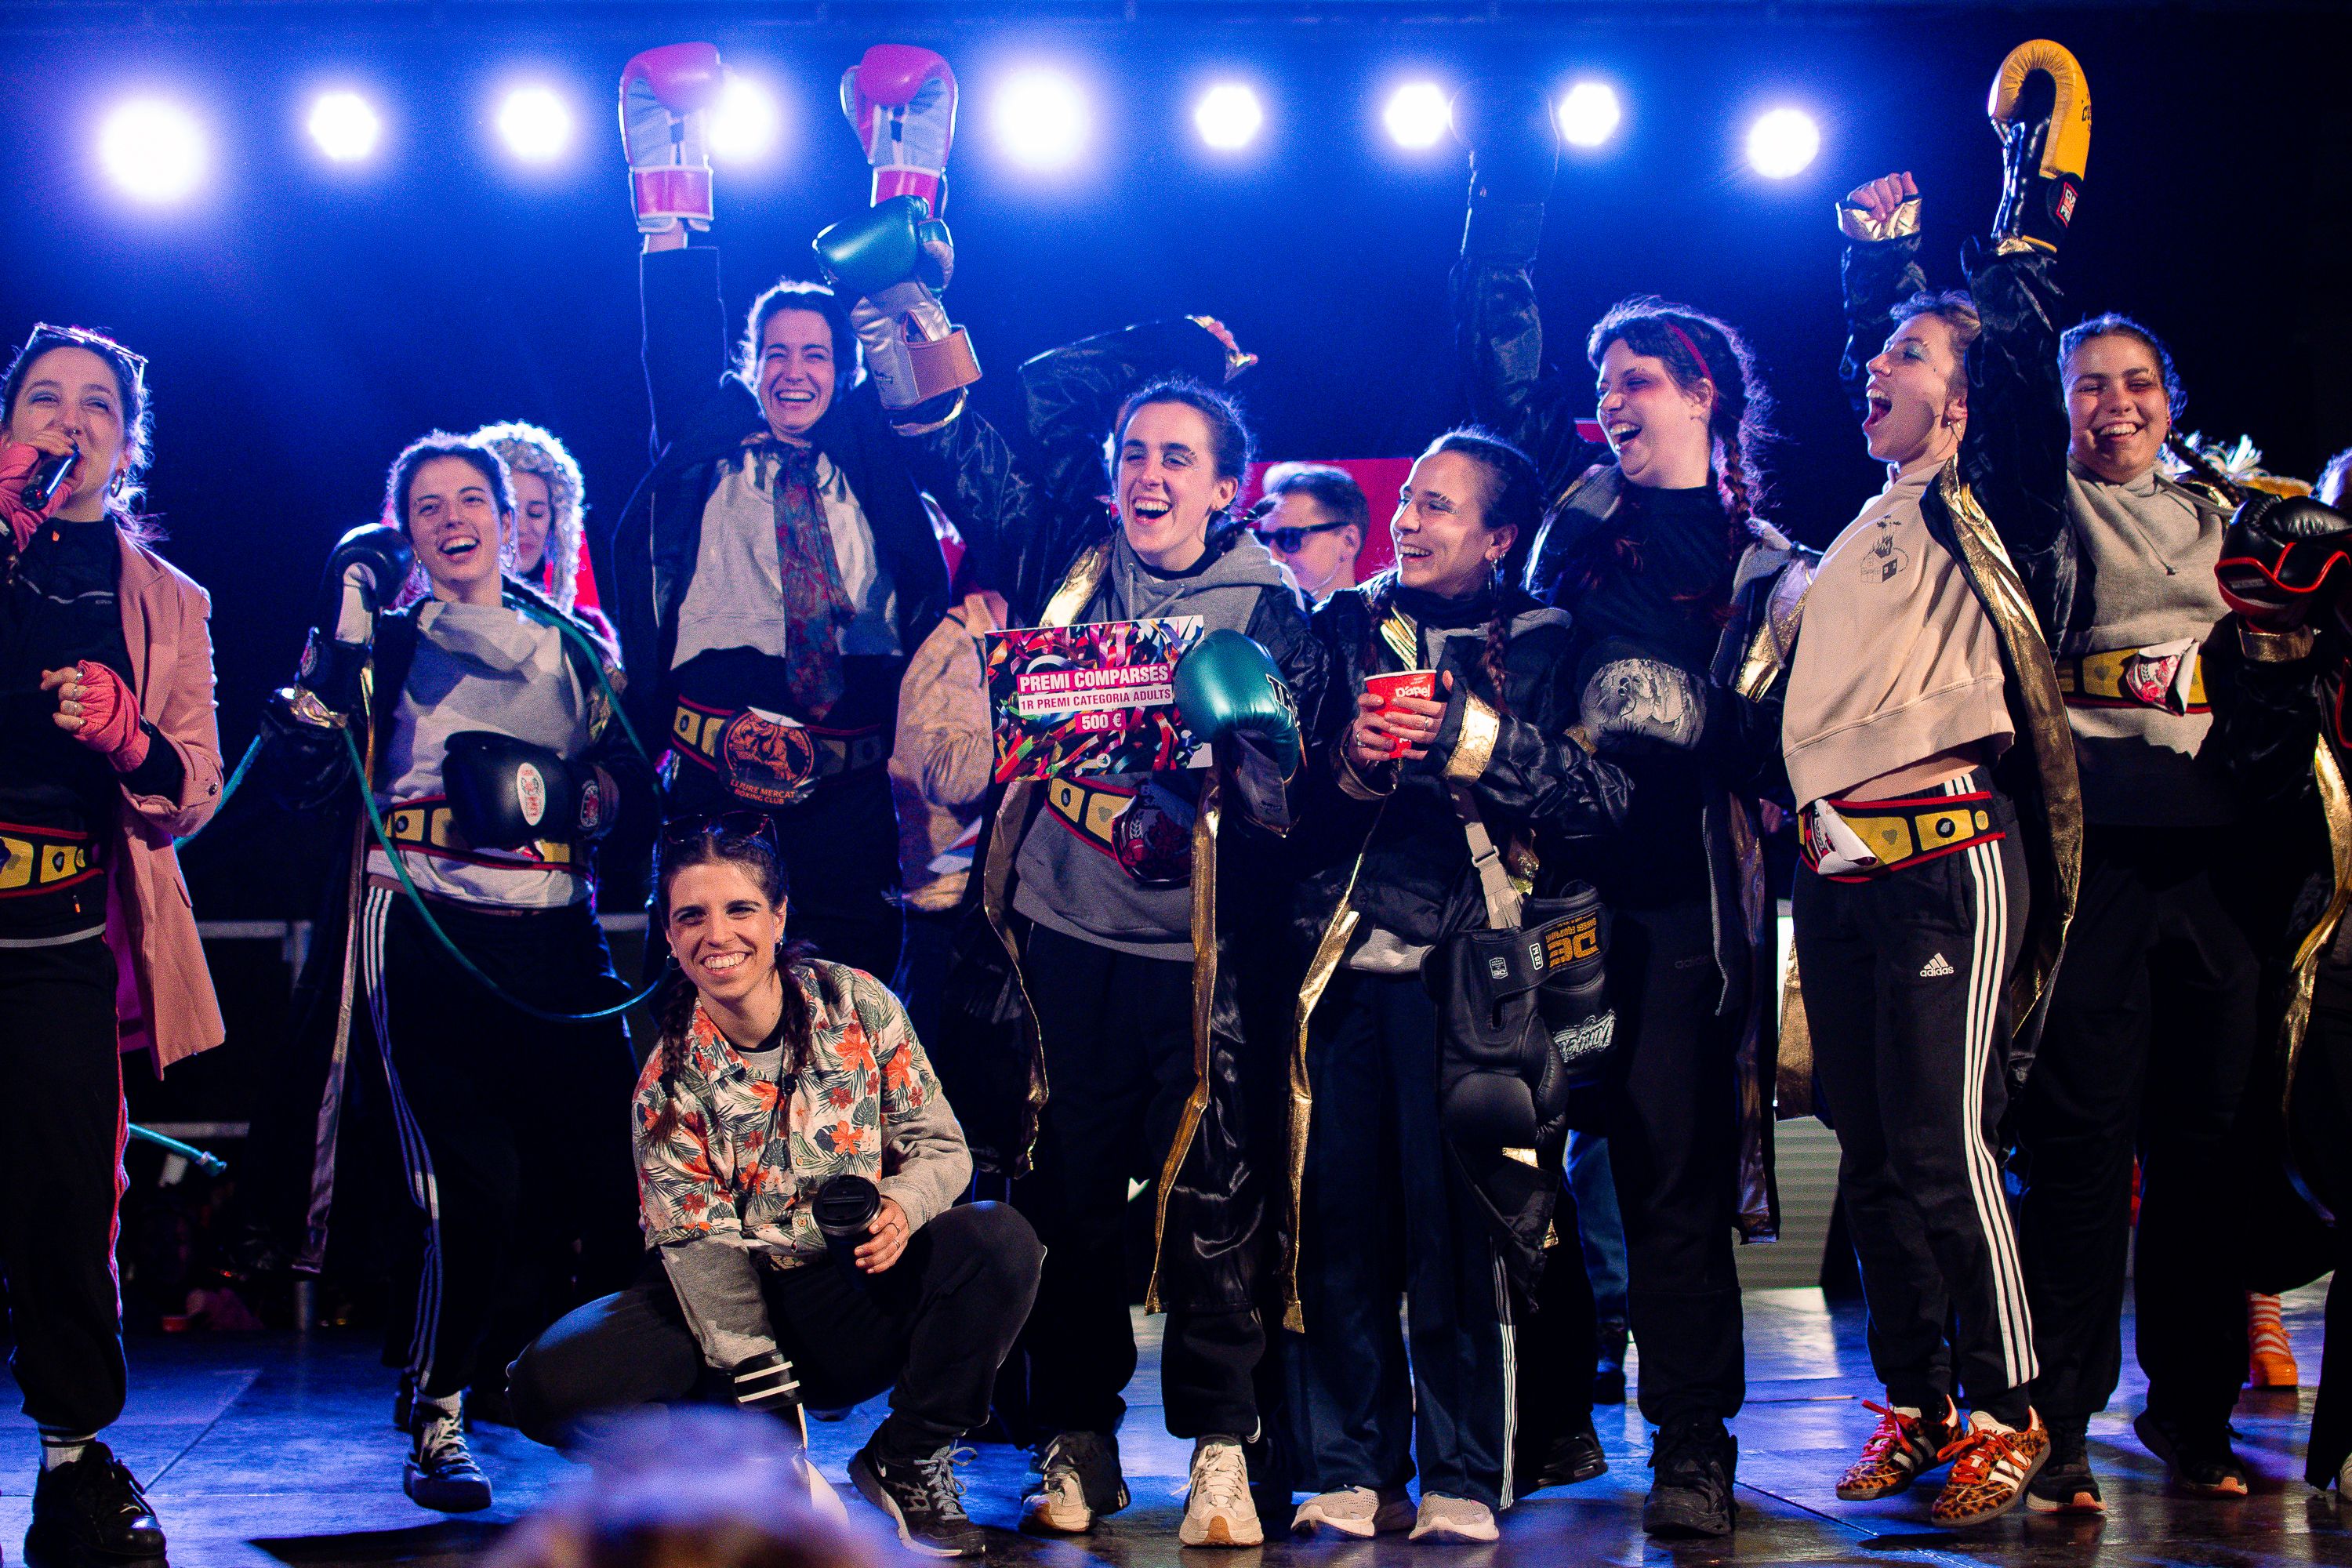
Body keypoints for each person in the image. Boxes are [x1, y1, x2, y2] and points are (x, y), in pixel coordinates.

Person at [1450, 81, 1801, 1538]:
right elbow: (1499, 347)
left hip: (1680, 906)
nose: (1614, 401)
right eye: (1605, 385)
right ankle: (1557, 1421)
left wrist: (1703, 717)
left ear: (1703, 391)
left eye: (1640, 379)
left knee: (1664, 1182)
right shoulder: (1565, 532)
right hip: (1546, 888)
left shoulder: (1771, 560)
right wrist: (1506, 206)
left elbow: (1788, 753)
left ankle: (1694, 1447)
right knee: (1509, 1154)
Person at [922, 322, 1322, 1548]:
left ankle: (1219, 1453)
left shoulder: (1272, 602)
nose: (1150, 476)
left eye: (1178, 457)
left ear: (1225, 486)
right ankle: (1078, 1445)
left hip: (1199, 962)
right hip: (1057, 943)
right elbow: (988, 440)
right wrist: (1150, 346)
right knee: (1067, 1209)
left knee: (1216, 1207)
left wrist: (1254, 744)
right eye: (1134, 453)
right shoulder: (1067, 557)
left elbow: (1292, 816)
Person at [1788, 113, 2087, 1525]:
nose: (1877, 374)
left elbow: (2011, 362)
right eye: (1879, 356)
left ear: (1966, 404)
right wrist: (1879, 278)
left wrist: (2007, 213)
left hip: (1943, 863)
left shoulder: (1991, 501)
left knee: (1946, 1146)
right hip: (1840, 882)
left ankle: (2019, 1408)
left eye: (1910, 361)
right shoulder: (1871, 520)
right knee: (1872, 1155)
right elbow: (1893, 363)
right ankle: (1918, 1403)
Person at [261, 433, 646, 1514]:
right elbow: (303, 774)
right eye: (426, 505)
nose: (454, 517)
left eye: (470, 497)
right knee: (468, 1185)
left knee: (614, 1171)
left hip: (554, 925)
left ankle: (623, 1400)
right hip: (424, 920)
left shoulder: (574, 642)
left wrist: (583, 800)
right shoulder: (381, 638)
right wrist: (340, 632)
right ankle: (438, 1415)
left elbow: (635, 784)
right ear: (407, 530)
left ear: (511, 517)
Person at [505, 818, 1042, 1560]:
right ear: (667, 933)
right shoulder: (666, 1085)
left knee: (1000, 1239)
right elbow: (702, 1254)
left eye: (739, 910)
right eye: (691, 915)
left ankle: (909, 1458)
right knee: (546, 1383)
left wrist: (902, 1207)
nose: (716, 934)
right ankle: (708, 1463)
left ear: (780, 916)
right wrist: (770, 1419)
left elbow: (942, 1149)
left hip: (853, 1286)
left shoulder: (858, 1003)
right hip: (725, 1310)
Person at [1281, 430, 1630, 1541]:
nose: (1411, 521)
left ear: (1498, 535)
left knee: (1464, 1233)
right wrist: (1351, 764)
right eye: (1409, 502)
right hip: (1339, 966)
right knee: (1338, 1229)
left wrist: (1468, 734)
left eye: (1440, 507)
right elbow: (1274, 807)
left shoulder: (1547, 640)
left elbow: (1603, 802)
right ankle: (1350, 1464)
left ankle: (1467, 1476)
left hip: (1474, 978)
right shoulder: (1333, 627)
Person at [602, 44, 977, 983]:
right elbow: (680, 333)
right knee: (705, 1023)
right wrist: (667, 157)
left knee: (851, 1027)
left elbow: (921, 374)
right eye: (776, 353)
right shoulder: (710, 441)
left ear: (841, 368)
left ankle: (904, 155)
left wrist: (909, 187)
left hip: (847, 801)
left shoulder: (873, 451)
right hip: (713, 789)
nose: (795, 370)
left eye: (815, 352)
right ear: (752, 363)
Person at [0, 321, 223, 1563]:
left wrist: (134, 742)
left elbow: (189, 789)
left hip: (65, 934)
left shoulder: (165, 600)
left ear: (126, 445)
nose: (71, 420)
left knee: (68, 1201)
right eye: (46, 399)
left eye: (98, 405)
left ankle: (75, 1463)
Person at [471, 419, 611, 633]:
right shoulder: (441, 627)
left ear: (555, 524)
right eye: (510, 514)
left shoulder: (589, 631)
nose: (523, 528)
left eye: (536, 514)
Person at [1254, 463, 1367, 602]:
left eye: (1290, 537)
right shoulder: (1253, 619)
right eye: (1263, 539)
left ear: (1349, 541)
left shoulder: (1387, 622)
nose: (1271, 556)